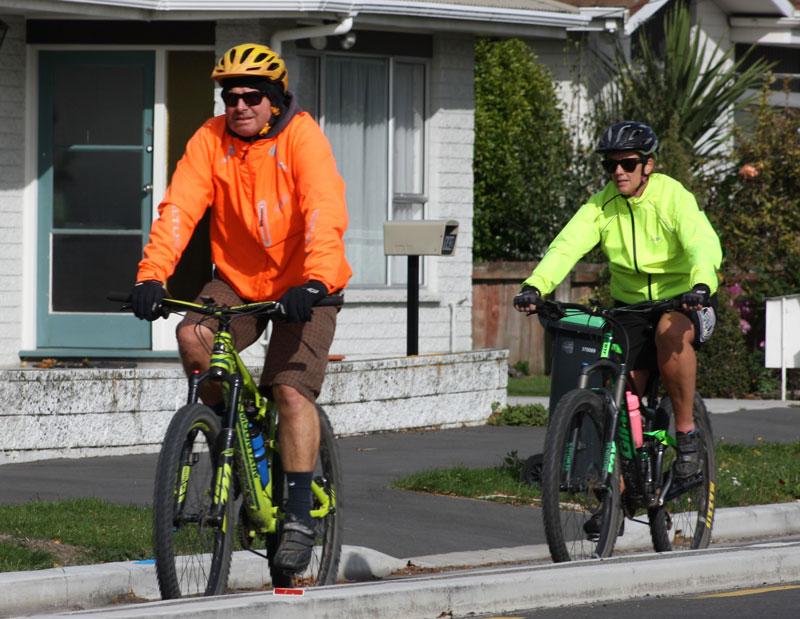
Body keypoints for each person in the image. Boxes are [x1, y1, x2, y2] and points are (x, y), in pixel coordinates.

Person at [129, 43, 352, 573]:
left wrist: (317, 279)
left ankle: (299, 512)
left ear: (274, 101)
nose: (240, 105)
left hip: (307, 285)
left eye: (252, 96)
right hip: (239, 281)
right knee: (192, 336)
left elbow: (324, 210)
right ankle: (232, 427)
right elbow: (179, 209)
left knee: (290, 390)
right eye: (230, 97)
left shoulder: (303, 138)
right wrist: (151, 275)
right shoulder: (211, 139)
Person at [513, 121, 722, 480]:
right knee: (620, 399)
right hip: (631, 307)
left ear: (648, 165)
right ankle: (615, 498)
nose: (618, 172)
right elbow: (567, 246)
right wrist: (536, 287)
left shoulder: (673, 197)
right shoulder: (602, 205)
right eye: (610, 165)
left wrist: (700, 284)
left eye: (627, 164)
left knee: (670, 335)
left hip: (684, 300)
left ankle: (686, 434)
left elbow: (701, 242)